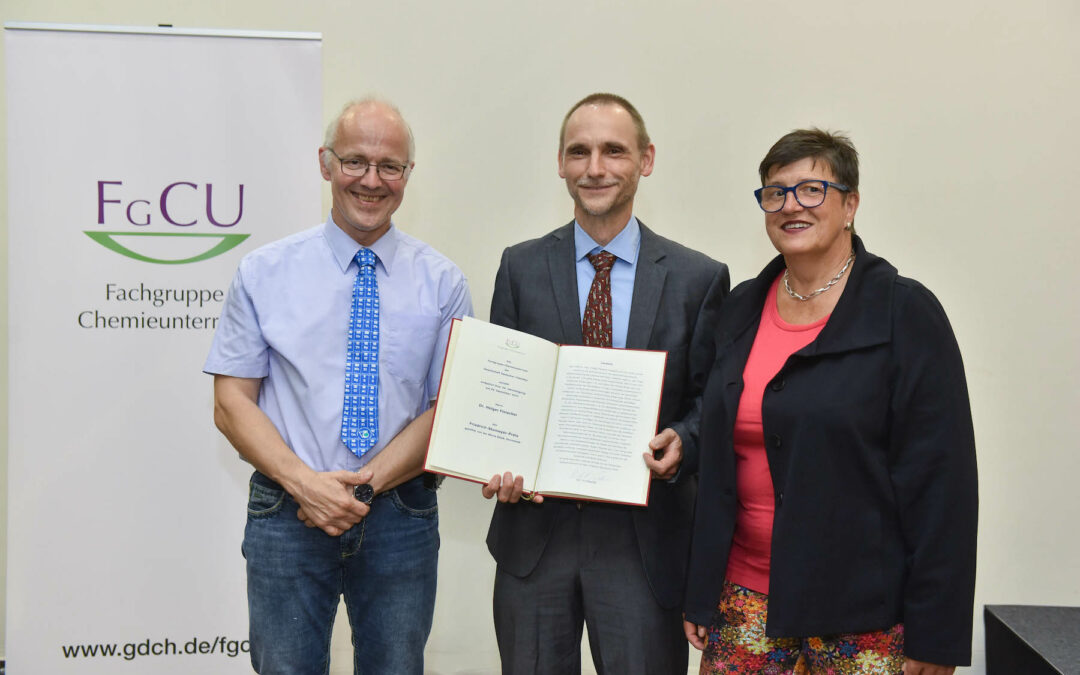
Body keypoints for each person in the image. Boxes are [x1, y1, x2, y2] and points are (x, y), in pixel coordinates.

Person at [683, 129, 977, 675]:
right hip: (743, 600)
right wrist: (703, 589)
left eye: (812, 189)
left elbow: (944, 487)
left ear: (850, 205)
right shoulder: (741, 306)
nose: (791, 205)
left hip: (861, 612)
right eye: (776, 192)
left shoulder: (902, 313)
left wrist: (937, 635)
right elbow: (720, 457)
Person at [204, 98, 472, 675]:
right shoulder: (263, 272)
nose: (371, 180)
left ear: (407, 176)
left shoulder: (443, 282)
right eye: (354, 161)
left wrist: (362, 489)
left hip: (400, 512)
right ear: (324, 164)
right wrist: (307, 486)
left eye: (389, 166)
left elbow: (447, 407)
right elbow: (231, 403)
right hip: (287, 511)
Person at [481, 92, 730, 674]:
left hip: (644, 544)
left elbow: (710, 400)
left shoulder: (699, 278)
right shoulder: (519, 268)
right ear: (561, 163)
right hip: (535, 541)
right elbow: (504, 391)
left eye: (613, 151)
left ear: (645, 160)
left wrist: (684, 444)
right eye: (580, 152)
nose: (595, 167)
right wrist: (499, 454)